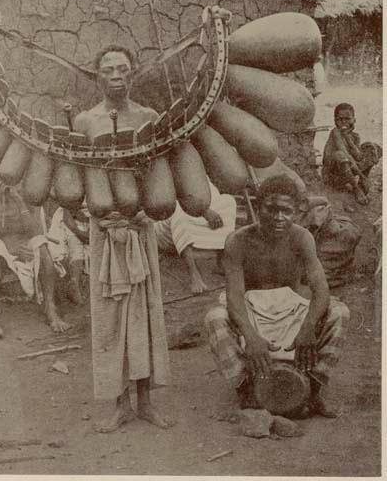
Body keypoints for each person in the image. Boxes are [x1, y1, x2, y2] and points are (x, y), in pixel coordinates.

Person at [74, 45, 172, 433]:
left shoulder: (149, 118)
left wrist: (151, 210)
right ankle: (119, 404)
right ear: (97, 76)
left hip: (141, 227)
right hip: (105, 231)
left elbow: (163, 172)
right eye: (109, 69)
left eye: (123, 69)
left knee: (146, 312)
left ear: (133, 74)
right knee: (110, 317)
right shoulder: (83, 122)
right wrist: (87, 214)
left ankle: (146, 401)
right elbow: (74, 176)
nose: (117, 75)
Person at [205, 175, 350, 418]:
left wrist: (308, 328)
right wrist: (251, 337)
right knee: (214, 318)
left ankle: (312, 390)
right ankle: (247, 390)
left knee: (340, 312)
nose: (278, 217)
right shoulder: (238, 241)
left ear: (296, 211)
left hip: (291, 313)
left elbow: (321, 289)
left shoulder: (302, 238)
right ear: (258, 207)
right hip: (252, 313)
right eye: (271, 209)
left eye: (286, 211)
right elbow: (234, 296)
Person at [0, 175, 71, 340]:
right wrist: (11, 250)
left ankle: (50, 307)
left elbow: (37, 232)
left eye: (8, 180)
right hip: (3, 254)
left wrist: (19, 202)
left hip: (27, 248)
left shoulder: (27, 203)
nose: (5, 185)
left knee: (41, 244)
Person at [155, 179, 236, 293]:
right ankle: (194, 274)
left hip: (196, 208)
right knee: (178, 210)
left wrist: (207, 210)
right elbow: (173, 198)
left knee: (228, 201)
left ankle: (221, 261)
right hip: (165, 228)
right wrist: (205, 212)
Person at [322, 103, 382, 205]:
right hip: (333, 177)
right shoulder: (335, 132)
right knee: (340, 155)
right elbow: (345, 154)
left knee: (372, 147)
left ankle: (361, 183)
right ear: (335, 120)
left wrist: (348, 138)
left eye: (347, 119)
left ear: (354, 120)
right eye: (340, 119)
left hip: (347, 173)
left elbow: (358, 156)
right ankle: (356, 189)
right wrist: (361, 175)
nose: (344, 122)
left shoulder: (355, 136)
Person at [48, 202, 90, 304]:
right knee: (75, 241)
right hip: (68, 221)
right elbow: (67, 214)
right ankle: (74, 285)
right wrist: (79, 233)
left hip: (91, 219)